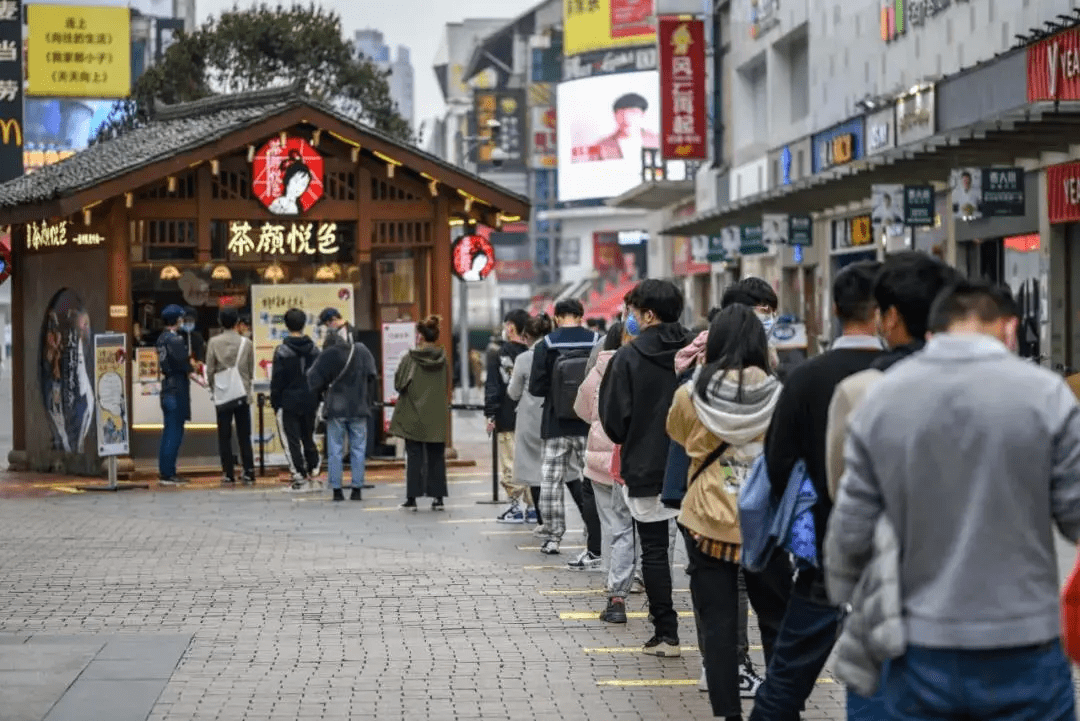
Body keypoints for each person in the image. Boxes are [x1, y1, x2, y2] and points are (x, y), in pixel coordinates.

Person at [828, 280, 1080, 721]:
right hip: (1024, 646)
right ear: (1010, 329)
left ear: (932, 334)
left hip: (916, 646)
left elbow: (848, 535)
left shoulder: (882, 397)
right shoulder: (1047, 395)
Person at [822, 252, 959, 720]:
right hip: (996, 622)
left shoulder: (863, 391)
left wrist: (839, 583)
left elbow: (846, 500)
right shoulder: (1023, 392)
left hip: (892, 600)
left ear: (892, 317)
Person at [748, 261, 884, 721]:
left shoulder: (805, 376)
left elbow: (777, 460)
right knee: (883, 675)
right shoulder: (905, 373)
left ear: (834, 309)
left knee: (786, 678)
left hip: (823, 552)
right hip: (898, 556)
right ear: (885, 311)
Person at [667, 304, 793, 721]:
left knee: (718, 626)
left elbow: (679, 435)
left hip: (706, 519)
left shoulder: (690, 392)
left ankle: (728, 713)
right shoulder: (780, 391)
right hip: (766, 520)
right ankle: (781, 708)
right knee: (775, 619)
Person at [599, 279, 693, 657]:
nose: (630, 319)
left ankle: (666, 633)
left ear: (648, 314)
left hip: (646, 467)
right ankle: (715, 632)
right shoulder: (698, 348)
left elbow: (614, 422)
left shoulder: (628, 357)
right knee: (702, 552)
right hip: (696, 466)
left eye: (634, 312)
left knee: (653, 551)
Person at [530, 298, 601, 555]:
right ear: (581, 316)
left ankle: (552, 536)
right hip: (587, 422)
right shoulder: (596, 341)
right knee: (594, 480)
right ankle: (594, 534)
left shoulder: (546, 345)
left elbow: (536, 388)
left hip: (555, 422)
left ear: (557, 317)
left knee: (551, 480)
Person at [574, 321, 635, 620]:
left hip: (599, 460)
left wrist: (597, 424)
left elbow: (581, 410)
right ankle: (637, 578)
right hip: (631, 458)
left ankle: (614, 586)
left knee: (612, 524)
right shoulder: (638, 366)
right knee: (639, 526)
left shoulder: (597, 370)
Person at [307, 330, 377, 501]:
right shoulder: (361, 350)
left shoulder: (329, 354)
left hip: (336, 408)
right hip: (359, 407)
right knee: (358, 449)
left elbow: (312, 379)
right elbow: (372, 375)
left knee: (335, 450)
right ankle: (357, 489)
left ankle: (337, 490)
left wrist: (324, 390)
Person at [391, 316, 451, 510]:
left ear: (420, 337)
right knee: (436, 456)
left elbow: (399, 383)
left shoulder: (411, 358)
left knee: (414, 456)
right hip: (436, 414)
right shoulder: (443, 359)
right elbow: (448, 384)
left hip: (413, 413)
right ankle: (438, 497)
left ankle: (412, 498)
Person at [486, 309, 533, 523]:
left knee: (509, 462)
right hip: (532, 417)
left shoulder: (499, 354)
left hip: (506, 415)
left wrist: (490, 414)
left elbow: (494, 386)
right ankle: (533, 508)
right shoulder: (534, 353)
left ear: (511, 326)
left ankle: (514, 507)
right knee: (532, 461)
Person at [507, 314, 553, 526]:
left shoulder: (523, 359)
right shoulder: (557, 354)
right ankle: (556, 520)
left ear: (526, 336)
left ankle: (543, 522)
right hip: (553, 417)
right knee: (556, 471)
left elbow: (513, 392)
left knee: (534, 473)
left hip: (529, 420)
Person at [271, 308, 321, 492]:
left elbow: (277, 380)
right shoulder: (315, 349)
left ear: (286, 324)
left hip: (289, 400)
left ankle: (298, 472)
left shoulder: (282, 351)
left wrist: (275, 402)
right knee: (308, 435)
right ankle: (313, 466)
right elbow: (319, 376)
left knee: (291, 438)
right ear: (304, 324)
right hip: (310, 399)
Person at [205, 308, 256, 486]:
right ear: (237, 322)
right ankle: (248, 470)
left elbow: (210, 369)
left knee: (224, 434)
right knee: (244, 434)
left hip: (223, 392)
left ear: (220, 322)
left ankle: (228, 472)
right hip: (241, 392)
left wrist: (213, 387)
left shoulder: (213, 342)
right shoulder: (246, 342)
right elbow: (250, 371)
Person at [156, 304, 192, 486]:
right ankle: (168, 473)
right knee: (174, 431)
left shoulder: (161, 339)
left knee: (168, 429)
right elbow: (183, 363)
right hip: (177, 387)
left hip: (166, 386)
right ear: (177, 320)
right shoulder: (175, 340)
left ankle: (165, 470)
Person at [574, 93, 660, 163]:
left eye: (633, 113)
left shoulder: (658, 141)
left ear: (643, 115)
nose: (627, 119)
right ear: (614, 116)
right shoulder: (601, 146)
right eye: (621, 114)